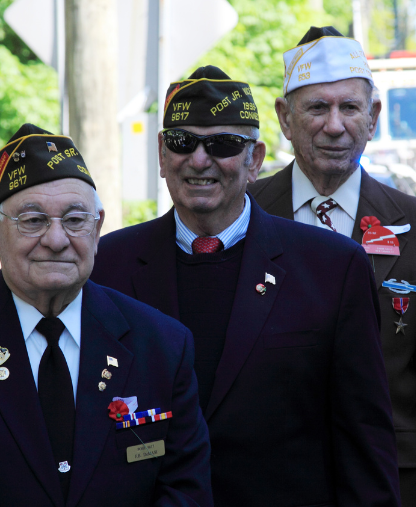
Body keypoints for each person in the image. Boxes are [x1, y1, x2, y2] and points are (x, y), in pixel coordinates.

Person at [91, 66, 400, 507]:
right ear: (162, 154)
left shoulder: (332, 268)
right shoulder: (108, 267)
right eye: (183, 142)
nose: (200, 160)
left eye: (222, 144)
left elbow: (364, 441)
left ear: (255, 159)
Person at [0, 124, 212, 507]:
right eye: (33, 221)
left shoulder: (162, 344)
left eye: (75, 220)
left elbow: (186, 490)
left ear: (97, 229)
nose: (56, 239)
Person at [249, 26, 416, 507]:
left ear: (372, 117)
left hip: (394, 484)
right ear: (284, 119)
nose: (335, 125)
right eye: (316, 108)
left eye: (349, 107)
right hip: (269, 483)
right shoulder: (242, 217)